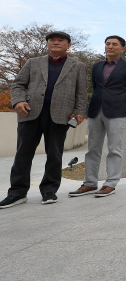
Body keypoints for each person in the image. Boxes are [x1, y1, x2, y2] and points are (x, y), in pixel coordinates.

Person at [0, 31, 87, 208]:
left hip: (61, 114)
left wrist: (79, 112)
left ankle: (49, 190)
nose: (55, 42)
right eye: (52, 40)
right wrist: (18, 101)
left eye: (60, 40)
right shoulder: (33, 62)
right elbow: (18, 84)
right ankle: (17, 192)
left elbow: (81, 92)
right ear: (47, 44)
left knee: (55, 154)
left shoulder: (78, 66)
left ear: (68, 45)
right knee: (23, 153)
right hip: (30, 112)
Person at [69, 36, 126, 198]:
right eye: (108, 44)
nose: (110, 47)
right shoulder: (97, 66)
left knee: (114, 148)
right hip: (95, 111)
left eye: (115, 44)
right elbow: (96, 87)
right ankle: (90, 183)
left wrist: (119, 102)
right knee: (92, 149)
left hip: (117, 112)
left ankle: (110, 183)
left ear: (123, 49)